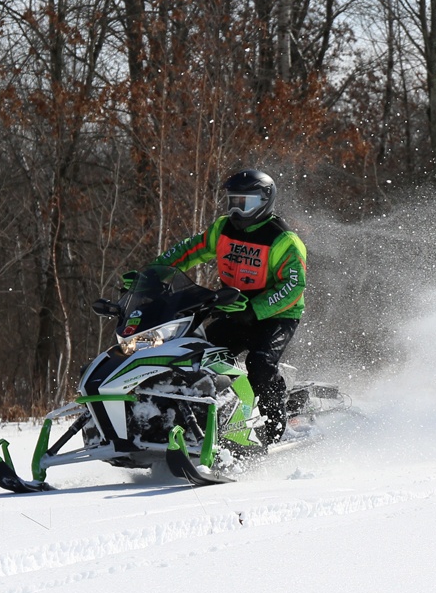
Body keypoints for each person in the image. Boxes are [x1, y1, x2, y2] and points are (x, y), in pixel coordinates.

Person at [126, 169, 307, 442]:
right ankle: (204, 422)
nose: (237, 210)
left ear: (265, 201)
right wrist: (153, 274)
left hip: (276, 315)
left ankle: (276, 424)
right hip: (233, 308)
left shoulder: (283, 240)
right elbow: (189, 250)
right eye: (233, 201)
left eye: (245, 203)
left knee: (259, 364)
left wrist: (255, 309)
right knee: (197, 359)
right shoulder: (223, 229)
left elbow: (292, 288)